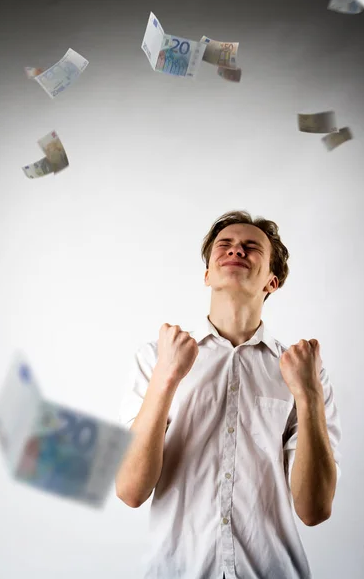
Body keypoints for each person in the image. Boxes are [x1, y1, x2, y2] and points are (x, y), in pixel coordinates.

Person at [116, 210, 342, 579]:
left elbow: (314, 510)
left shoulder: (305, 372)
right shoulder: (155, 358)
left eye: (251, 247)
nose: (236, 250)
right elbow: (130, 491)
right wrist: (166, 378)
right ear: (207, 274)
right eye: (225, 244)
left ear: (273, 281)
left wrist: (309, 396)